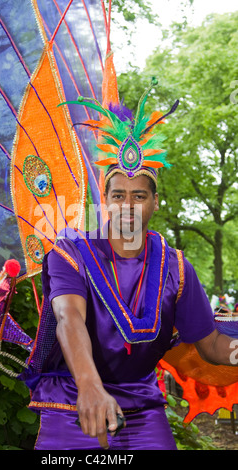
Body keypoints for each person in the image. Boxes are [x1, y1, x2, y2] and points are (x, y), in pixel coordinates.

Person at [24, 83, 238, 450]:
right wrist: (90, 387)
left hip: (142, 406)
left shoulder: (177, 269)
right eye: (118, 195)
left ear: (154, 203)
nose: (127, 204)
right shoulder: (70, 252)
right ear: (104, 201)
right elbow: (68, 320)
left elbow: (212, 344)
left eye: (139, 195)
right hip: (73, 398)